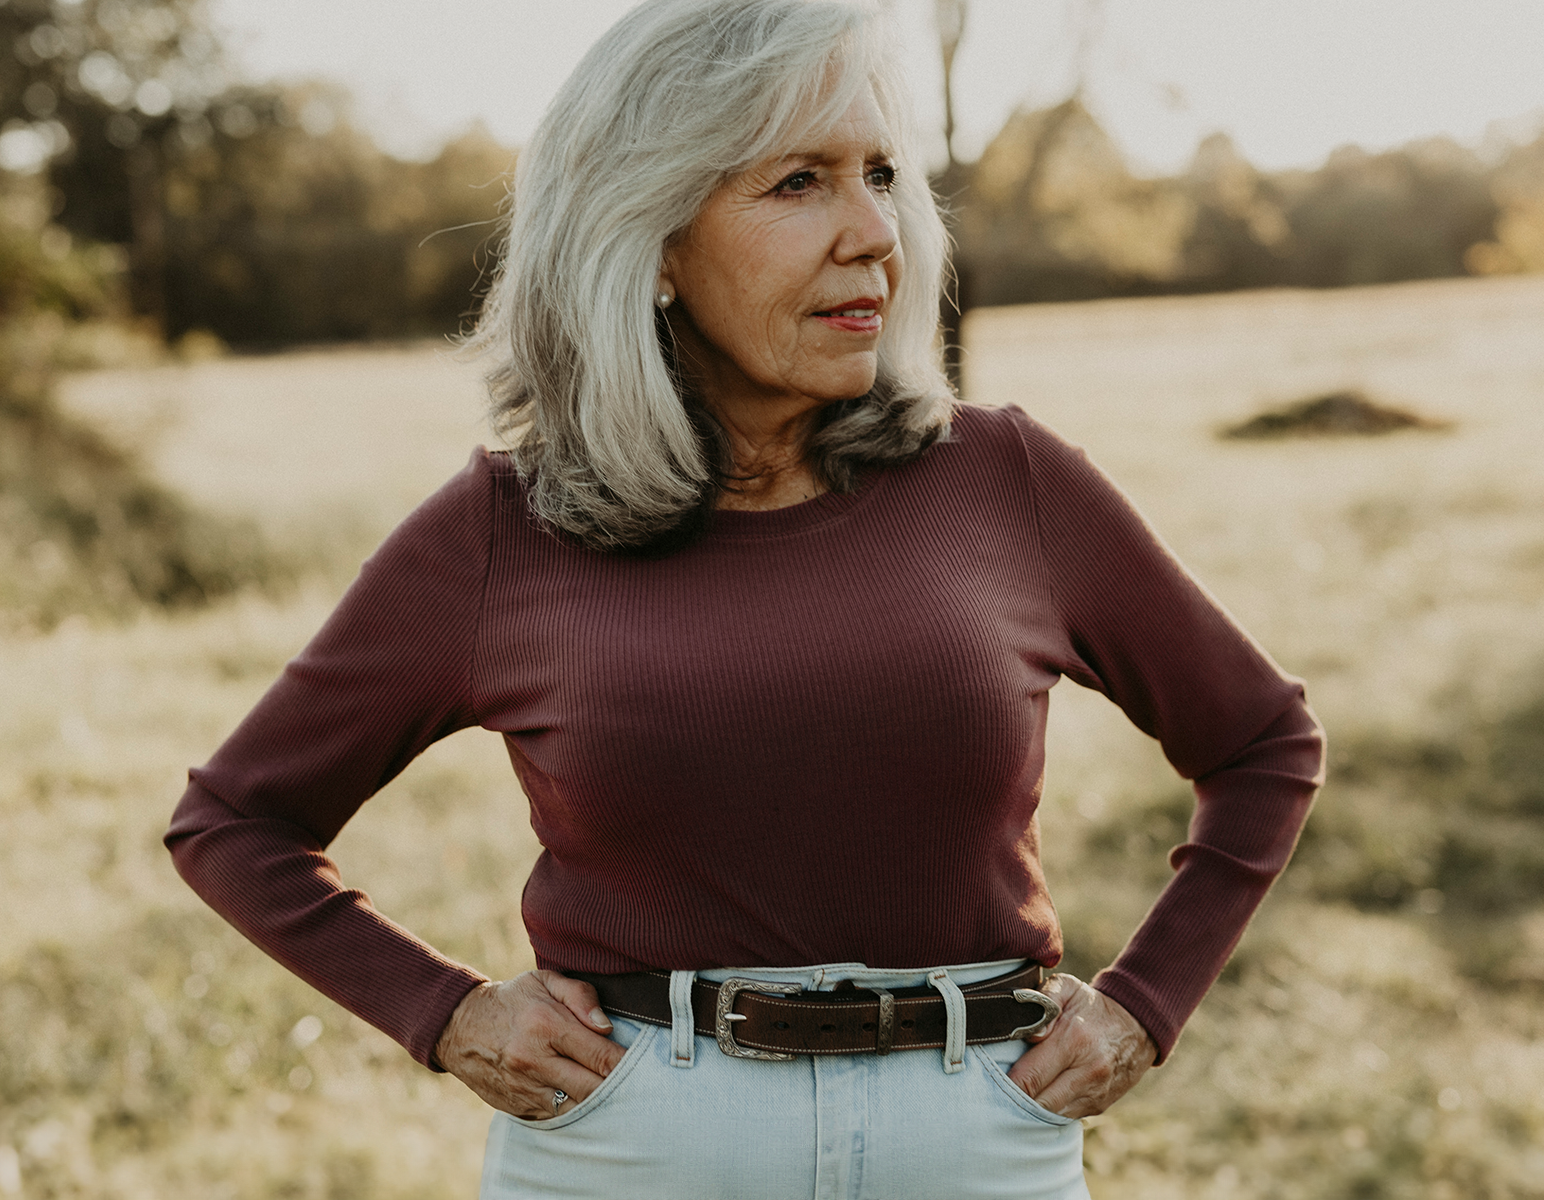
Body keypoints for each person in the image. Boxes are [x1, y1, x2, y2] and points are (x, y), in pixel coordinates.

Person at [165, 1, 1325, 1196]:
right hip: (633, 1150)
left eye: (880, 172)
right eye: (796, 183)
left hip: (974, 1139)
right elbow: (234, 824)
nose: (875, 231)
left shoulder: (1006, 479)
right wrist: (446, 1013)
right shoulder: (500, 533)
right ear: (651, 239)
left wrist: (1143, 1008)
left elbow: (1260, 739)